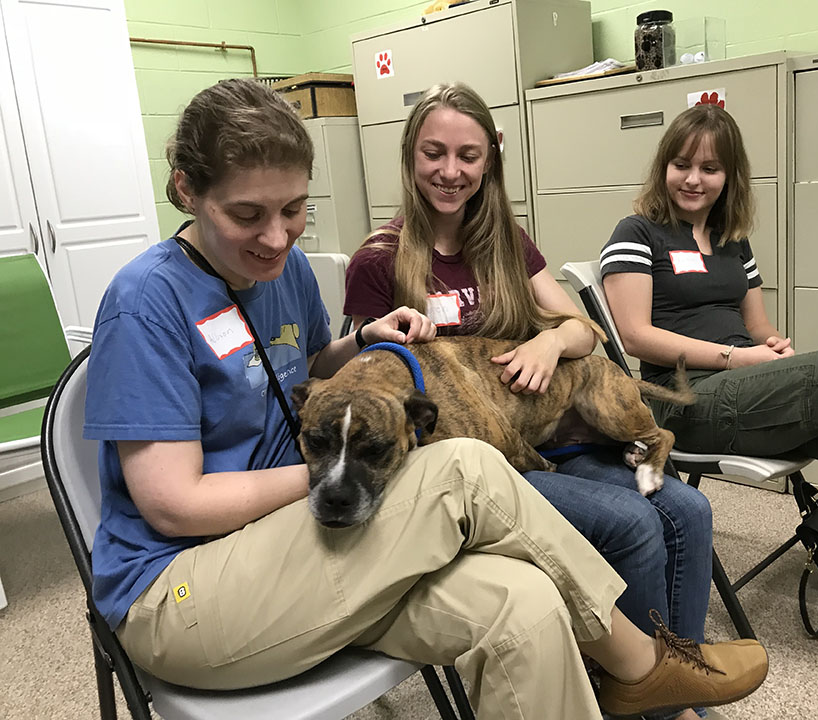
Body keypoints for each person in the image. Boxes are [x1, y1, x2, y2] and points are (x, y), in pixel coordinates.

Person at [82, 79, 767, 720]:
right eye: (247, 214)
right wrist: (339, 469)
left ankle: (644, 684)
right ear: (186, 190)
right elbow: (174, 506)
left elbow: (309, 369)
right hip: (182, 588)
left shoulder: (281, 272)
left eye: (293, 211)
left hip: (293, 542)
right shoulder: (147, 302)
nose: (275, 237)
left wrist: (364, 340)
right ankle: (641, 666)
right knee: (461, 465)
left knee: (527, 606)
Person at [343, 82, 716, 720]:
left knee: (686, 508)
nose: (451, 171)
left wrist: (549, 345)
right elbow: (366, 388)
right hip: (473, 467)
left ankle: (673, 683)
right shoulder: (378, 260)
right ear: (410, 158)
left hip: (546, 436)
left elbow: (584, 330)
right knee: (634, 524)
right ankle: (639, 694)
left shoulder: (506, 241)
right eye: (434, 153)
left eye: (468, 155)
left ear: (490, 159)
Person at [600, 102, 818, 720]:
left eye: (709, 168)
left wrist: (773, 349)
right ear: (664, 168)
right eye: (681, 164)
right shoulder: (636, 235)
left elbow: (759, 328)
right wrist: (736, 360)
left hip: (747, 386)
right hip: (681, 401)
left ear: (729, 176)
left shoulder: (735, 243)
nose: (693, 179)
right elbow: (634, 336)